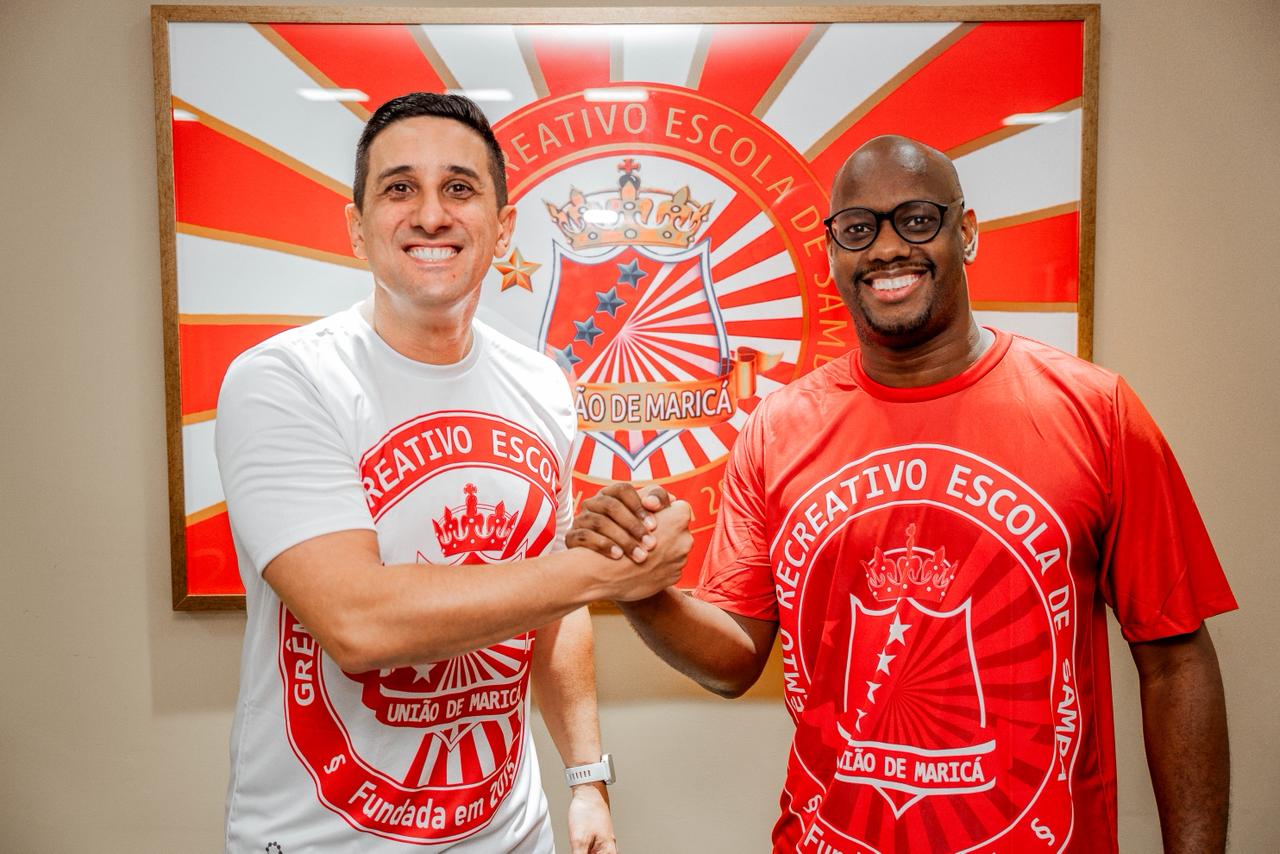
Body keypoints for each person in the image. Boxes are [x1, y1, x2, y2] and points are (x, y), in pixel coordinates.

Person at [569, 135, 1236, 853]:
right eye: (858, 229)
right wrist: (640, 592)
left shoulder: (1097, 411)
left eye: (916, 220)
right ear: (833, 253)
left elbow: (1175, 660)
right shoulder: (777, 429)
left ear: (966, 232)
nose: (887, 248)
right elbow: (735, 659)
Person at [214, 92, 691, 853]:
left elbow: (552, 601)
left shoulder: (541, 385)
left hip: (512, 834)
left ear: (503, 228)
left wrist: (585, 780)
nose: (431, 215)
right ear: (357, 226)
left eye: (459, 188)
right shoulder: (284, 380)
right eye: (400, 188)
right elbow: (358, 622)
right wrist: (606, 572)